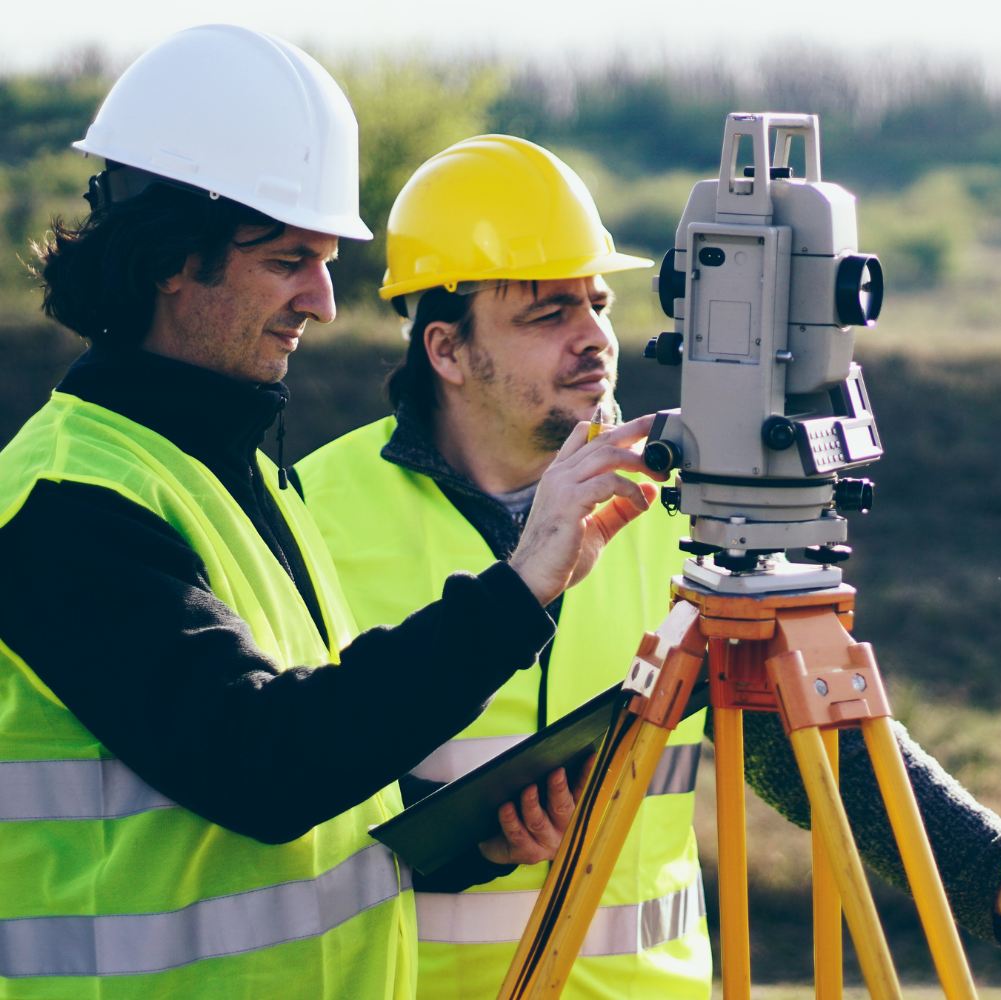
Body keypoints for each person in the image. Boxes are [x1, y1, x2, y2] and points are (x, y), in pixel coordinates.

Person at [295, 135, 1001, 999]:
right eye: (547, 314)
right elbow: (283, 785)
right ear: (447, 351)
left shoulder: (680, 502)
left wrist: (986, 866)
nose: (594, 339)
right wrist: (462, 839)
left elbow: (790, 741)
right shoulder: (315, 513)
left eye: (597, 304)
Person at [0, 29, 658, 1000]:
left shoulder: (241, 481)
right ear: (169, 262)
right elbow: (260, 766)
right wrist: (520, 590)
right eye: (286, 260)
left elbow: (310, 794)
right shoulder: (66, 506)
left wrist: (458, 835)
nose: (323, 300)